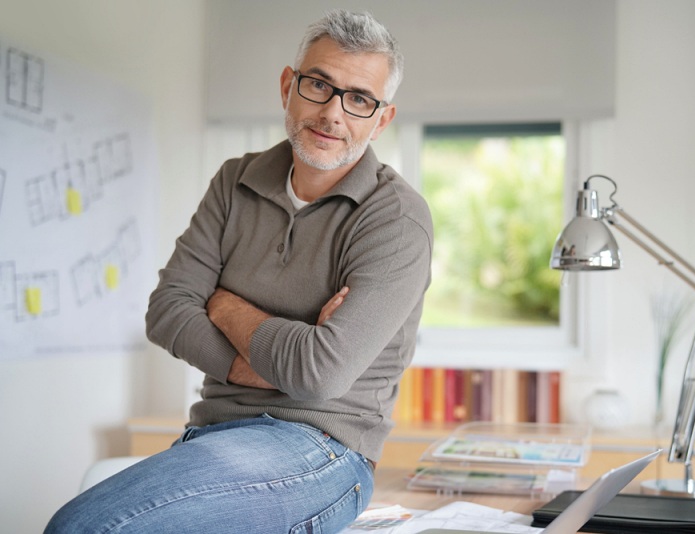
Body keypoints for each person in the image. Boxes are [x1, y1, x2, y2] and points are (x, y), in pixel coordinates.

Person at [45, 9, 432, 533]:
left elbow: (321, 375)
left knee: (85, 527)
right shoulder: (235, 180)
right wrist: (285, 360)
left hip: (322, 449)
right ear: (287, 87)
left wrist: (222, 303)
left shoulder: (396, 218)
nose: (334, 114)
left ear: (381, 119)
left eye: (359, 98)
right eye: (319, 85)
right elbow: (166, 312)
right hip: (212, 434)